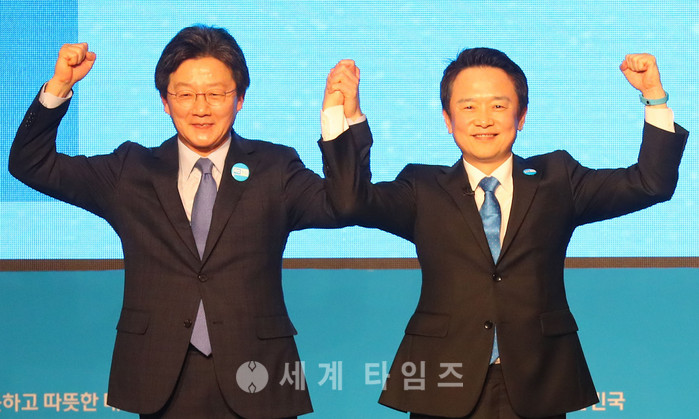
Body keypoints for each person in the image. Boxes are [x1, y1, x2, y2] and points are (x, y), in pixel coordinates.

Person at [9, 25, 360, 418]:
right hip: (160, 377)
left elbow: (344, 205)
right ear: (165, 101)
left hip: (259, 373)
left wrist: (337, 117)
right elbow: (30, 164)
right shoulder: (131, 171)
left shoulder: (274, 168)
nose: (200, 109)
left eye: (215, 94)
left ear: (240, 99)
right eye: (186, 94)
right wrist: (59, 86)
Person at [320, 50, 688, 418]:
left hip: (538, 380)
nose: (483, 119)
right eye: (468, 107)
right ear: (447, 119)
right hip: (444, 379)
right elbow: (351, 202)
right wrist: (345, 115)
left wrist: (654, 97)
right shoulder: (422, 187)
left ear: (521, 116)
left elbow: (650, 183)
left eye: (498, 105)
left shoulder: (558, 178)